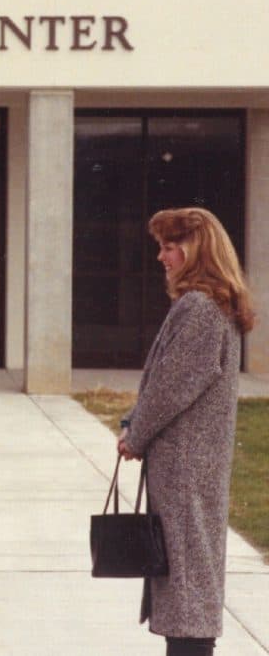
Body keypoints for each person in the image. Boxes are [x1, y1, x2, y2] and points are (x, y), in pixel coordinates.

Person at [117, 207, 255, 656]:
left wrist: (135, 435)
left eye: (170, 247)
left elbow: (171, 387)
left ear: (196, 250)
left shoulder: (199, 308)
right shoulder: (210, 305)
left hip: (186, 469)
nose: (162, 257)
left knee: (189, 586)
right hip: (192, 465)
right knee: (187, 580)